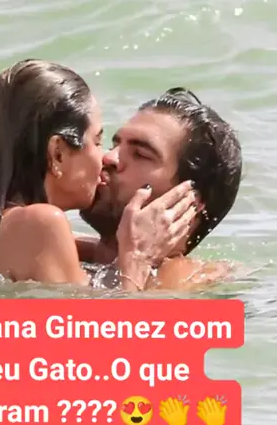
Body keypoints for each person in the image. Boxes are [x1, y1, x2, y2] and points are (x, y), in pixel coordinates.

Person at [0, 59, 198, 291]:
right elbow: (95, 327)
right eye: (96, 141)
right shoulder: (44, 223)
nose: (105, 157)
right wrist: (137, 259)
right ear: (58, 153)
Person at [77, 87, 243, 291]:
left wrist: (137, 260)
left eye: (140, 154)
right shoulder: (66, 251)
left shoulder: (187, 281)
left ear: (189, 201)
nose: (108, 158)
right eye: (115, 145)